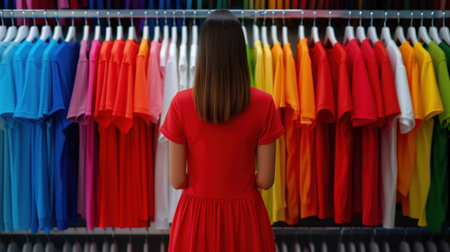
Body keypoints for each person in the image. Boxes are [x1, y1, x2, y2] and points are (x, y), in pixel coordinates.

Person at [160, 9, 284, 252]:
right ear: (240, 51)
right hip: (246, 217)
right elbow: (266, 180)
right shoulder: (264, 103)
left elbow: (176, 180)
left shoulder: (180, 104)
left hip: (196, 217)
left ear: (205, 52)